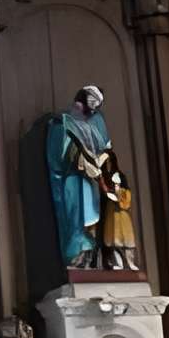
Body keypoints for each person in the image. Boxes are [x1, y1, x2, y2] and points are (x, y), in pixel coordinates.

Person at [45, 85, 111, 271]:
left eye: (97, 103)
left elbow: (105, 148)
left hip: (91, 181)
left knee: (93, 218)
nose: (94, 105)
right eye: (92, 100)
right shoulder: (63, 121)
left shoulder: (96, 122)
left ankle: (92, 257)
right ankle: (79, 255)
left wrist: (101, 164)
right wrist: (77, 157)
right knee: (76, 216)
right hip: (73, 178)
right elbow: (59, 151)